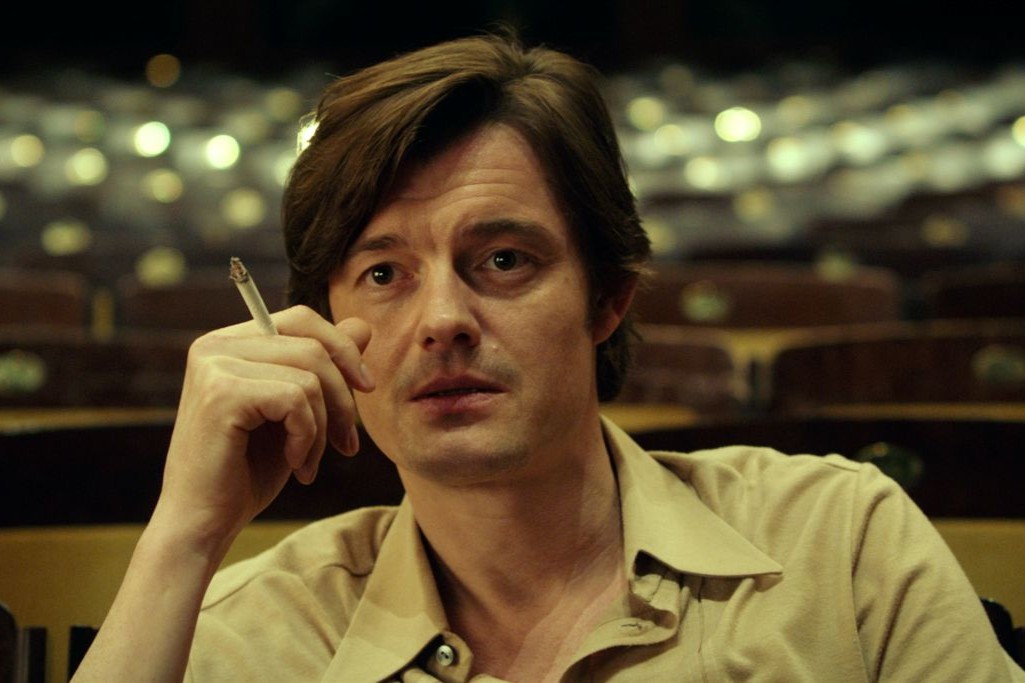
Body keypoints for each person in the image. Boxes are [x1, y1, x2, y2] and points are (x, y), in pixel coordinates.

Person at [73, 31, 1024, 683]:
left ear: (607, 297)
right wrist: (182, 536)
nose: (443, 319)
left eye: (502, 260)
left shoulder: (837, 543)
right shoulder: (249, 628)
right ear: (321, 330)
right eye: (383, 273)